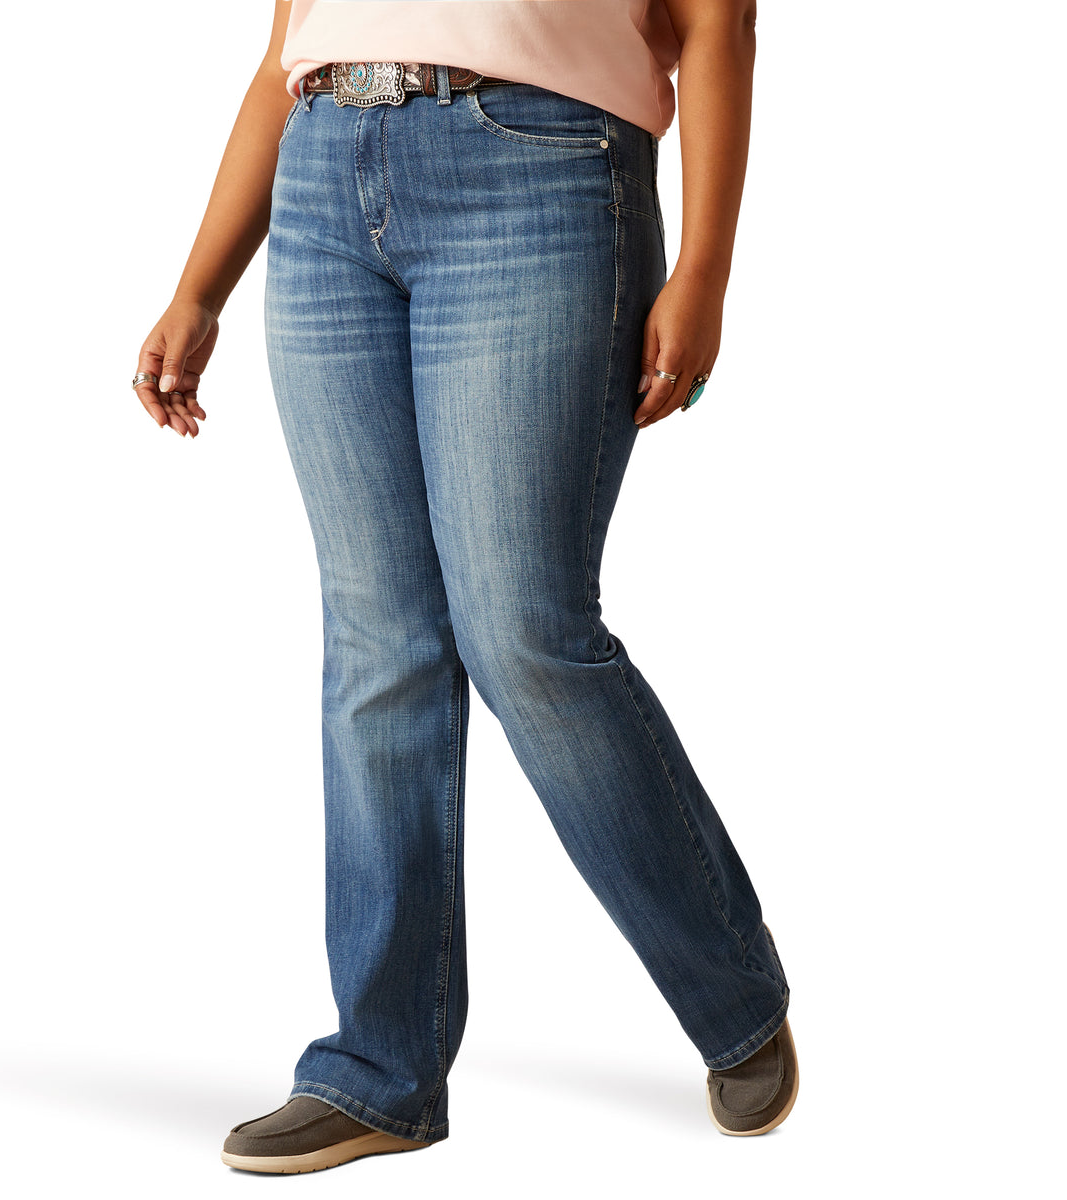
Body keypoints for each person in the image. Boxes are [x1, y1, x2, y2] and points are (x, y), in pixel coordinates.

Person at [131, 0, 797, 1174]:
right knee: (377, 645)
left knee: (525, 630)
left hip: (538, 170)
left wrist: (705, 268)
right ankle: (380, 1072)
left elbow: (717, 23)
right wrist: (199, 287)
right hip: (323, 174)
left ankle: (735, 996)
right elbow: (285, 51)